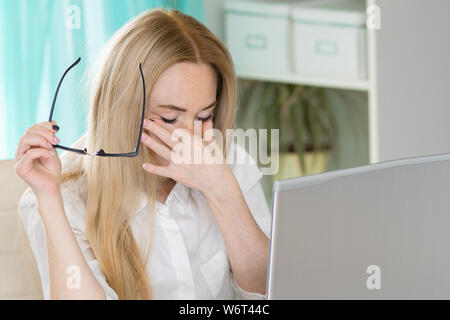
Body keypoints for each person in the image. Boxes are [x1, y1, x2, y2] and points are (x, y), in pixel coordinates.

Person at [15, 8, 271, 300]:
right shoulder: (64, 195)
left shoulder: (228, 161)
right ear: (123, 110)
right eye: (169, 119)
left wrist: (223, 193)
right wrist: (48, 201)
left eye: (204, 116)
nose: (188, 139)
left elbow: (270, 291)